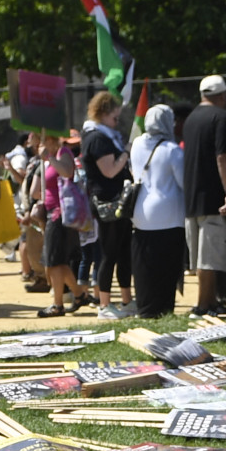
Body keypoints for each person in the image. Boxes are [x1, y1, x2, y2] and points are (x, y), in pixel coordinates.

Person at [181, 75, 226, 312]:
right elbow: (223, 157)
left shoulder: (190, 120)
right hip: (215, 198)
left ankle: (209, 301)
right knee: (210, 257)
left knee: (200, 257)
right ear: (221, 95)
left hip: (193, 199)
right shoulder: (222, 117)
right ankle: (203, 305)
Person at [130, 105, 187, 319]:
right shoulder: (172, 149)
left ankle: (145, 307)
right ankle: (164, 307)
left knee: (144, 265)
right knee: (167, 265)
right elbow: (183, 182)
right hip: (168, 215)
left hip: (140, 213)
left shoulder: (136, 144)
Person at [81, 91, 134, 317]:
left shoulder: (108, 136)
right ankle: (104, 304)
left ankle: (127, 301)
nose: (117, 121)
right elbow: (109, 170)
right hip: (107, 203)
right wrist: (126, 154)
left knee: (123, 253)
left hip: (118, 201)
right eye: (115, 117)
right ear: (103, 113)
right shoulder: (96, 138)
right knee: (108, 253)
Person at [39, 140, 86, 317]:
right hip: (53, 213)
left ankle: (58, 304)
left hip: (60, 214)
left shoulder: (63, 152)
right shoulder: (50, 157)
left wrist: (49, 157)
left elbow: (67, 172)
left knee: (54, 263)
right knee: (57, 261)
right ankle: (79, 294)